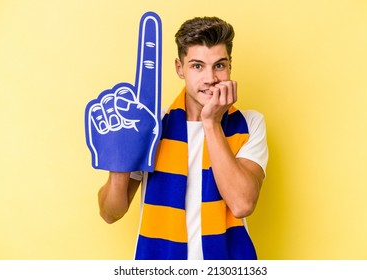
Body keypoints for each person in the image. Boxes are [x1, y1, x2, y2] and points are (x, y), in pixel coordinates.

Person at [97, 16, 268, 260]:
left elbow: (242, 204)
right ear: (180, 68)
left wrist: (212, 123)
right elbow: (110, 213)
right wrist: (119, 159)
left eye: (219, 65)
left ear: (230, 65)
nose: (210, 78)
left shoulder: (250, 124)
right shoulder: (152, 127)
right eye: (197, 66)